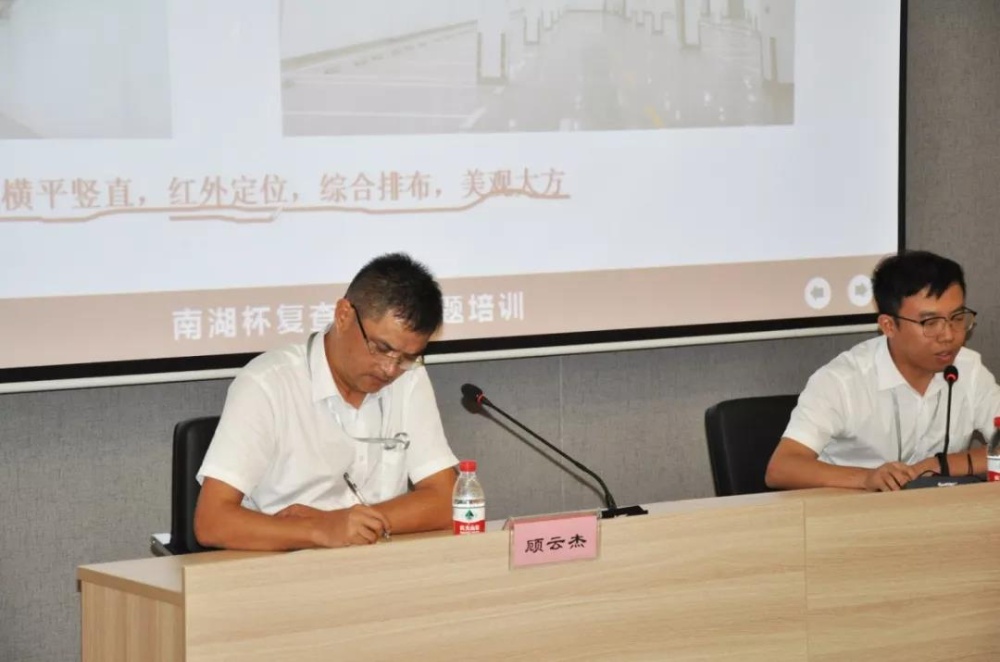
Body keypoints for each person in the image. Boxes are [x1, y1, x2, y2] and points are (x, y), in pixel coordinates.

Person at [194, 253, 458, 550]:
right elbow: (212, 521)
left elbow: (448, 500)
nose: (390, 369)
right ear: (343, 315)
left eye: (407, 357)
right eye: (381, 348)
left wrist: (350, 523)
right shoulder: (267, 383)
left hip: (375, 564)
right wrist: (319, 530)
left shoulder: (409, 378)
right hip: (279, 564)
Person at [765, 250, 1000, 492]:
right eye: (930, 323)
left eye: (957, 318)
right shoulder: (842, 380)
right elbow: (782, 468)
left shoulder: (968, 369)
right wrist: (867, 478)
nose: (949, 335)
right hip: (850, 507)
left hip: (937, 510)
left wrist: (939, 465)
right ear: (888, 326)